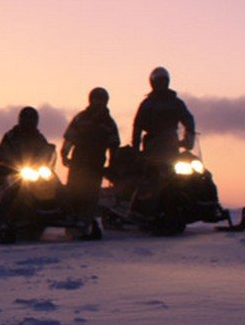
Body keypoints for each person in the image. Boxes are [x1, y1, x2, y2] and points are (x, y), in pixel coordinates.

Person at [61, 87, 120, 217]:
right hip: (78, 161)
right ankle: (71, 217)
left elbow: (114, 145)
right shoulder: (81, 118)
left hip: (96, 162)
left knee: (91, 193)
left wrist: (113, 164)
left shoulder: (109, 123)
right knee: (73, 189)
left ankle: (87, 219)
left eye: (101, 100)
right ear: (90, 100)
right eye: (96, 99)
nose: (98, 103)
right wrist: (64, 154)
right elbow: (69, 137)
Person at [132, 67, 195, 166]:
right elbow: (137, 126)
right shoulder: (148, 104)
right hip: (152, 149)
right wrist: (135, 150)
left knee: (195, 176)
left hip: (171, 146)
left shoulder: (175, 103)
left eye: (163, 81)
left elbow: (189, 120)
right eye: (159, 81)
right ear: (153, 82)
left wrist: (188, 140)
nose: (161, 84)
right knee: (147, 175)